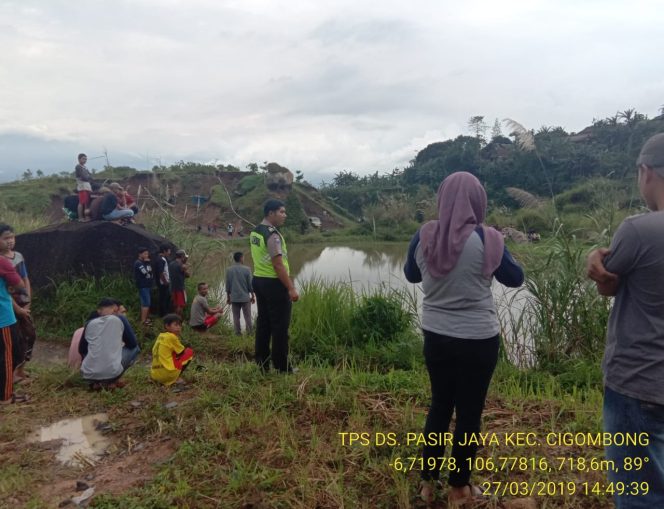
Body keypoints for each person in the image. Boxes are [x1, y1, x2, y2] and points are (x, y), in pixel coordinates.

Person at [403, 172, 524, 505]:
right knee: (469, 413)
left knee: (440, 406)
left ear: (442, 198)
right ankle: (459, 488)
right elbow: (515, 278)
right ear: (478, 201)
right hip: (478, 340)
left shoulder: (423, 235)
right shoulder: (488, 238)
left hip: (436, 336)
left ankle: (428, 484)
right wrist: (501, 245)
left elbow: (411, 275)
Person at [586, 132, 664, 508]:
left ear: (646, 172)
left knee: (639, 494)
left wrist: (592, 260)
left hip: (638, 384)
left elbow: (606, 283)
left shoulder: (639, 230)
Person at [250, 199, 299, 373]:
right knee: (280, 327)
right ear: (271, 213)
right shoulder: (272, 235)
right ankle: (282, 366)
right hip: (273, 283)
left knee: (263, 323)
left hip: (258, 280)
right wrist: (291, 288)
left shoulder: (255, 231)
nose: (284, 215)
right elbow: (278, 265)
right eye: (282, 212)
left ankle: (262, 363)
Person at [78, 298, 140, 390]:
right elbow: (132, 344)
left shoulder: (89, 323)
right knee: (135, 348)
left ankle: (96, 382)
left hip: (88, 374)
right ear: (114, 309)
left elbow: (82, 349)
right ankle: (111, 381)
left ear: (99, 310)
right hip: (110, 372)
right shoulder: (120, 318)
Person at [0, 227, 36, 383]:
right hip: (10, 307)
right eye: (5, 238)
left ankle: (20, 371)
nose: (10, 241)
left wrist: (27, 303)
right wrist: (19, 309)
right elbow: (5, 293)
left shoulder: (18, 256)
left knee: (29, 335)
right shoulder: (2, 262)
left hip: (22, 304)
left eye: (12, 237)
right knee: (14, 342)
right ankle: (12, 375)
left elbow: (25, 280)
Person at [0, 224, 27, 405]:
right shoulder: (3, 262)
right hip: (3, 316)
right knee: (7, 356)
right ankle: (6, 396)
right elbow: (19, 285)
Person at [150, 314, 194, 386]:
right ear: (167, 326)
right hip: (167, 375)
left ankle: (161, 379)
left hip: (155, 375)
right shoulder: (172, 337)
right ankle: (175, 378)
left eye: (180, 325)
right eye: (176, 325)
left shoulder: (160, 336)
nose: (179, 327)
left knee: (172, 353)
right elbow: (181, 352)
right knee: (189, 352)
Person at [225, 251, 255, 335]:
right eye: (243, 257)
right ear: (241, 258)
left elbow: (227, 285)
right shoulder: (247, 269)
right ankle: (249, 333)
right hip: (245, 297)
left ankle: (238, 333)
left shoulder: (229, 270)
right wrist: (253, 295)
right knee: (247, 316)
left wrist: (228, 297)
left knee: (236, 317)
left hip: (234, 298)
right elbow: (250, 284)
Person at [134, 247, 154, 325]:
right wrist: (146, 263)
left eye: (147, 254)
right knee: (146, 303)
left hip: (147, 285)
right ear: (140, 254)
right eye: (145, 254)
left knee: (147, 303)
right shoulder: (138, 263)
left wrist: (148, 263)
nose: (147, 255)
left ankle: (146, 319)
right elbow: (146, 273)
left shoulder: (145, 262)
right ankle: (143, 321)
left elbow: (150, 273)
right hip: (143, 285)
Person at [168, 249, 190, 317]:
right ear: (182, 256)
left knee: (175, 304)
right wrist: (185, 264)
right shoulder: (182, 265)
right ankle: (178, 320)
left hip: (172, 287)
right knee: (180, 305)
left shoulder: (171, 264)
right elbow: (188, 275)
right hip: (180, 288)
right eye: (184, 257)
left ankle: (174, 319)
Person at [75, 153, 93, 221]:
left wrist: (88, 176)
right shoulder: (78, 167)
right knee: (81, 202)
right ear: (79, 159)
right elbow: (84, 177)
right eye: (83, 159)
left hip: (87, 186)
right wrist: (88, 176)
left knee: (86, 202)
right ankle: (80, 217)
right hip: (82, 187)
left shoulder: (85, 167)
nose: (85, 160)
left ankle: (86, 217)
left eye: (86, 159)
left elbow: (90, 176)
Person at [156, 244, 172, 317]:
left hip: (163, 282)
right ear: (164, 251)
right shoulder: (161, 259)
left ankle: (162, 314)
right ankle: (164, 314)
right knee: (164, 299)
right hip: (163, 283)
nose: (169, 252)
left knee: (163, 298)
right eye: (169, 251)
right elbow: (161, 272)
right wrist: (165, 282)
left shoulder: (162, 258)